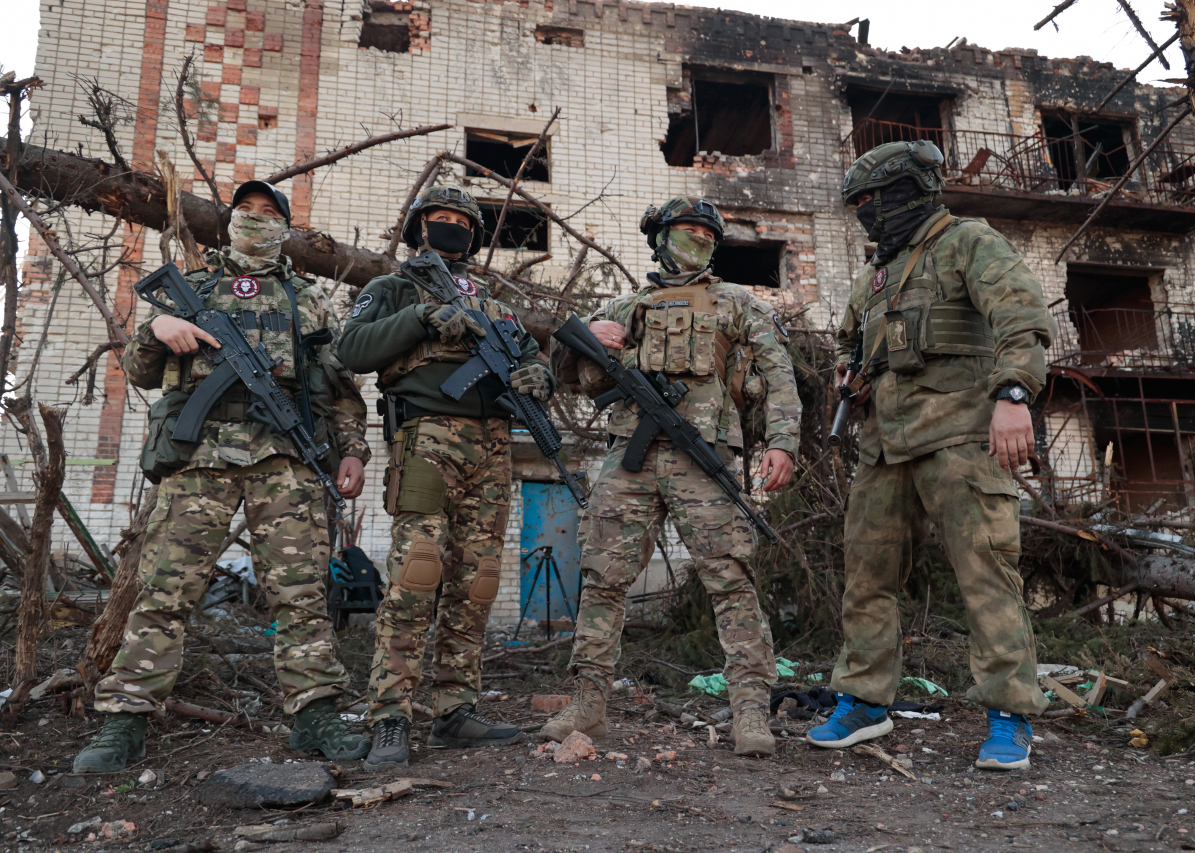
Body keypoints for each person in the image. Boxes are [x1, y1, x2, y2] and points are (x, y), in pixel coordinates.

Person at [73, 181, 372, 774]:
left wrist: (354, 453)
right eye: (247, 212)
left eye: (269, 214)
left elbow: (341, 391)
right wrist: (155, 330)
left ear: (286, 228)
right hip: (198, 460)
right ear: (230, 221)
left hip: (285, 461)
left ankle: (314, 712)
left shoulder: (306, 298)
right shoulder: (195, 286)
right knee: (164, 592)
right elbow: (139, 372)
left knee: (302, 597)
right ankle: (124, 719)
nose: (256, 221)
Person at [806, 140, 1055, 770]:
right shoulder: (875, 276)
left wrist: (1014, 394)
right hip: (884, 446)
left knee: (986, 575)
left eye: (871, 201)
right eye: (856, 204)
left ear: (907, 192)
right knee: (867, 578)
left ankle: (1009, 715)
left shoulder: (969, 241)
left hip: (961, 436)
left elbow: (1020, 315)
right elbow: (847, 342)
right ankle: (864, 702)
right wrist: (846, 373)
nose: (865, 213)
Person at [544, 197, 801, 757]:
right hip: (629, 459)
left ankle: (750, 708)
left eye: (708, 233)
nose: (700, 239)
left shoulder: (735, 302)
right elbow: (565, 374)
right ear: (659, 237)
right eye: (687, 230)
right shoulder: (623, 305)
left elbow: (779, 372)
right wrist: (590, 331)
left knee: (730, 577)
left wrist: (782, 443)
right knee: (603, 577)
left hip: (703, 454)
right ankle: (588, 701)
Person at [336, 186, 553, 768]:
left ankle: (456, 710)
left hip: (492, 447)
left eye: (463, 220)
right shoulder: (391, 288)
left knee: (477, 579)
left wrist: (538, 377)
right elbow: (349, 350)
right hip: (427, 437)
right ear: (419, 227)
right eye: (441, 218)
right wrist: (419, 317)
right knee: (416, 573)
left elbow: (533, 355)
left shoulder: (493, 302)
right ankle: (390, 717)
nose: (453, 226)